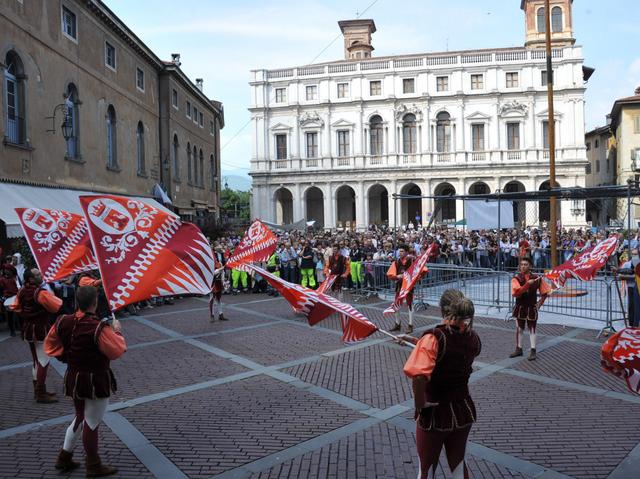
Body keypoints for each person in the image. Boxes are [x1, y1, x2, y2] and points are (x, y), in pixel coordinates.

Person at [44, 286, 126, 476]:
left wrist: (66, 356)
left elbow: (50, 345)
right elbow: (116, 350)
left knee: (80, 417)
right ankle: (93, 465)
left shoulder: (63, 321)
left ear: (76, 302)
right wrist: (118, 332)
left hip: (74, 377)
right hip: (95, 379)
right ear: (95, 302)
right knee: (91, 422)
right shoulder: (98, 327)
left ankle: (64, 457)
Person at [403, 290, 481, 479]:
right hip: (463, 409)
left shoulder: (434, 338)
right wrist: (416, 342)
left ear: (442, 310)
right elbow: (453, 352)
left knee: (426, 467)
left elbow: (419, 376)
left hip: (436, 411)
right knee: (458, 463)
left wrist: (420, 403)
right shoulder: (473, 337)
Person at [14, 268, 62, 403]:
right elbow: (56, 306)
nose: (41, 275)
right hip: (40, 329)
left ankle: (39, 390)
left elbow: (16, 307)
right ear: (30, 279)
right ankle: (41, 392)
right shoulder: (40, 293)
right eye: (37, 274)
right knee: (44, 360)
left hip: (28, 329)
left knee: (36, 360)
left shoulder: (22, 291)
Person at [510, 257, 550, 361]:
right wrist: (528, 284)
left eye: (525, 264)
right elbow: (516, 293)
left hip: (531, 307)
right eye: (521, 264)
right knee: (519, 329)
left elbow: (545, 293)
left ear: (530, 266)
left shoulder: (537, 278)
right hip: (520, 307)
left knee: (532, 329)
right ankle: (519, 349)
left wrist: (540, 303)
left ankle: (533, 351)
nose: (523, 266)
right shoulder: (516, 278)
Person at [388, 246, 425, 334]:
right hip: (399, 286)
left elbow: (420, 269)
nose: (400, 253)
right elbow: (391, 273)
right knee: (396, 304)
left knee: (409, 305)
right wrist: (397, 276)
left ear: (406, 252)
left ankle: (410, 325)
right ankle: (397, 324)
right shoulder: (396, 262)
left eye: (402, 251)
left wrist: (415, 278)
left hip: (408, 286)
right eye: (399, 251)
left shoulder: (411, 261)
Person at [0, 265, 19, 336]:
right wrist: (2, 298)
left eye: (8, 270)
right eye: (6, 270)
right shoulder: (2, 279)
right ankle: (12, 330)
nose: (6, 271)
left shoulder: (14, 278)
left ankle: (19, 327)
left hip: (16, 297)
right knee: (10, 315)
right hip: (8, 299)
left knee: (19, 313)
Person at [209, 245, 227, 322]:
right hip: (212, 282)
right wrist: (220, 269)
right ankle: (212, 315)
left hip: (219, 282)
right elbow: (213, 273)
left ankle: (221, 314)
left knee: (219, 299)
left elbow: (222, 272)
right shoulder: (210, 263)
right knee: (212, 299)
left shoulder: (219, 263)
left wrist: (224, 281)